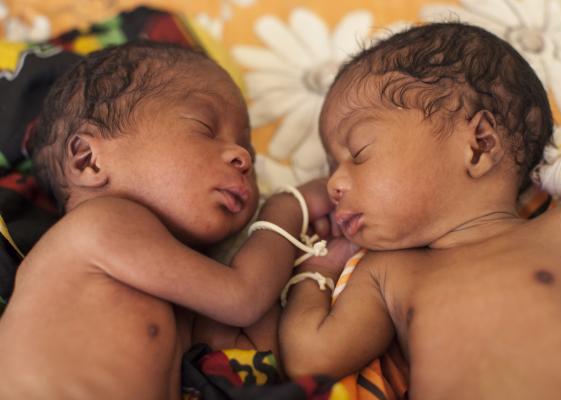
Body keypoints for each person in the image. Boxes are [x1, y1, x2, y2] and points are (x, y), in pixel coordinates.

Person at [280, 22, 561, 400]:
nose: (333, 184)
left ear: (479, 145)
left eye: (360, 152)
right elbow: (311, 358)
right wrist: (317, 271)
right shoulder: (387, 274)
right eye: (331, 167)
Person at [0, 40, 334, 399]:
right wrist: (289, 208)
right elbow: (243, 297)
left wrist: (320, 265)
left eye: (250, 153)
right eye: (205, 128)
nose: (243, 158)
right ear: (89, 160)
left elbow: (261, 347)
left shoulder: (169, 291)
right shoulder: (100, 225)